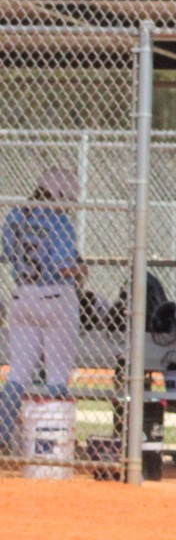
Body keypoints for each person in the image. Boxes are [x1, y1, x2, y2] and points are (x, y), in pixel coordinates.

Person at [1, 167, 83, 448]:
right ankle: (50, 442)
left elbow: (4, 253)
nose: (67, 206)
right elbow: (63, 266)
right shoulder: (59, 221)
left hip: (22, 297)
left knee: (18, 375)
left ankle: (1, 432)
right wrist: (81, 269)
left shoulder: (17, 215)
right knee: (57, 375)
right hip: (56, 299)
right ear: (59, 194)